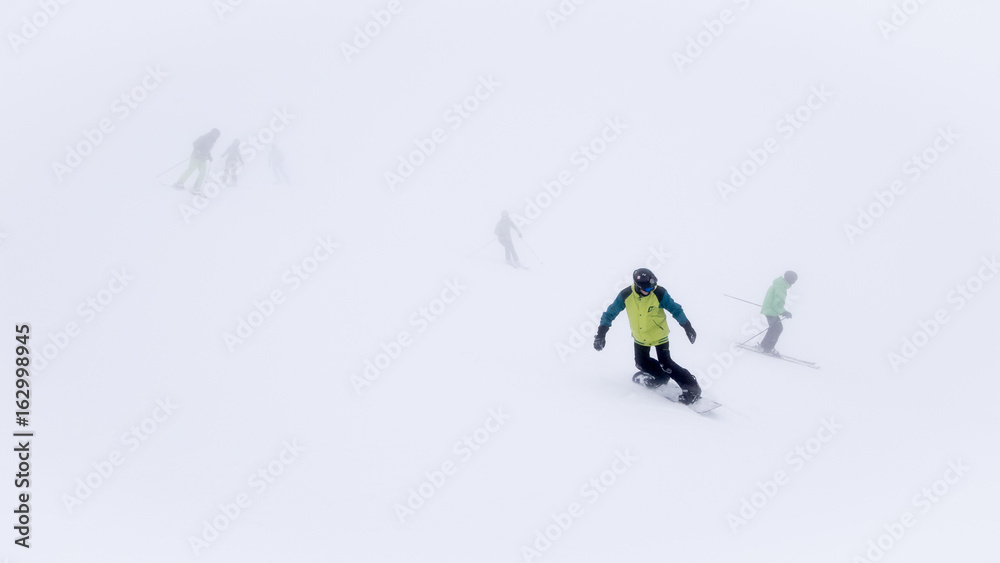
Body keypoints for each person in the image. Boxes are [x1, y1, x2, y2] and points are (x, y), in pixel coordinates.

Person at [593, 268, 701, 404]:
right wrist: (601, 334)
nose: (650, 290)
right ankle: (661, 377)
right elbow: (609, 314)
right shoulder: (626, 295)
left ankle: (692, 388)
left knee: (666, 363)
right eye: (647, 289)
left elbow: (675, 309)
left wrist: (687, 326)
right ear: (638, 287)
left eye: (652, 287)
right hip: (640, 337)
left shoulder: (659, 293)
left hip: (659, 335)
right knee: (640, 362)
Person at [757, 271, 797, 356]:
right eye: (794, 280)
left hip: (770, 310)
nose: (794, 283)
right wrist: (784, 312)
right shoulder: (781, 287)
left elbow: (776, 303)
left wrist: (782, 311)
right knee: (778, 328)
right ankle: (767, 347)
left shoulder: (780, 284)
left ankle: (764, 346)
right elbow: (777, 303)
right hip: (771, 311)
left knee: (774, 328)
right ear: (790, 279)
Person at [173, 128, 221, 193]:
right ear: (212, 133)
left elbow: (207, 150)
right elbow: (195, 143)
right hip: (195, 157)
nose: (217, 136)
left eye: (218, 135)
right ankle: (179, 183)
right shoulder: (204, 137)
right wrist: (197, 150)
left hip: (203, 159)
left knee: (203, 173)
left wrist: (209, 156)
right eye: (216, 134)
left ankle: (196, 186)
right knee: (190, 170)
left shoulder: (212, 142)